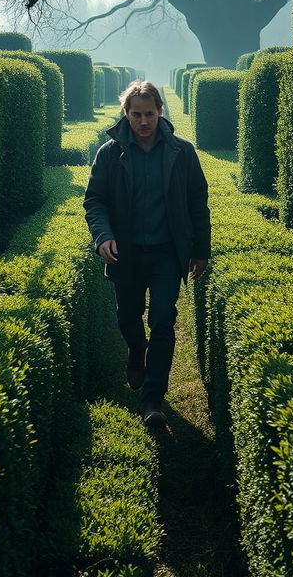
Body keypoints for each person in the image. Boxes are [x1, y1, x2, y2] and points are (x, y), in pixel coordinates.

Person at [83, 80, 211, 428]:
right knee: (128, 318)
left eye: (150, 114)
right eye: (136, 114)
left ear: (160, 112)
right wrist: (103, 237)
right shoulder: (109, 153)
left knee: (163, 322)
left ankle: (153, 398)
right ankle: (136, 350)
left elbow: (198, 202)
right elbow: (94, 201)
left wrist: (200, 251)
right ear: (126, 114)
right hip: (125, 254)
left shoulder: (182, 152)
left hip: (167, 254)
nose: (143, 121)